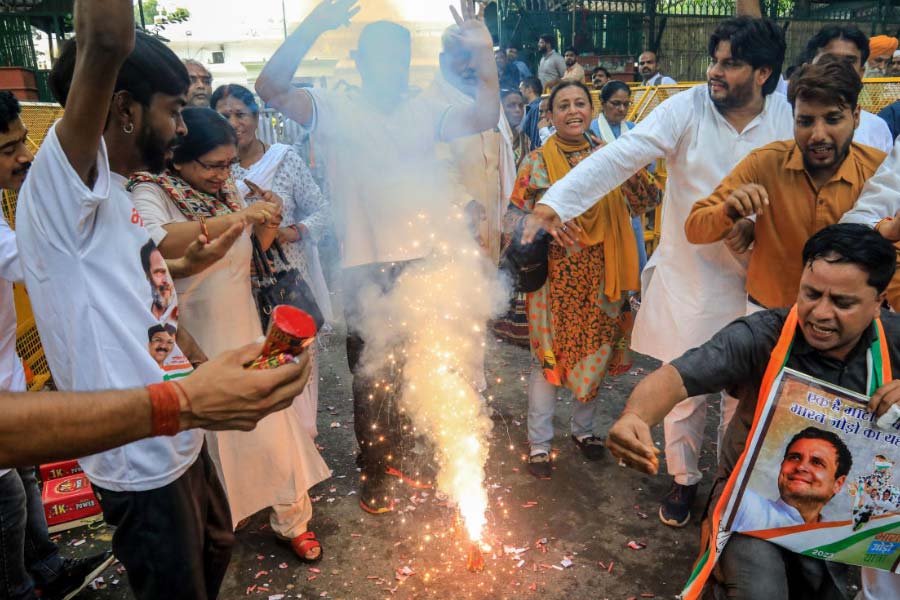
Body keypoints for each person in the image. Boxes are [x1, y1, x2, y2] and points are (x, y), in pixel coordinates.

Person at [521, 16, 794, 527]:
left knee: (745, 392)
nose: (714, 72)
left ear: (763, 73)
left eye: (729, 64)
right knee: (683, 388)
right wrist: (553, 205)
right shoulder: (686, 107)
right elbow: (622, 157)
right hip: (690, 276)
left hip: (759, 279)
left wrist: (759, 229)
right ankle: (684, 481)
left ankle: (728, 485)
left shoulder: (788, 115)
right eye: (714, 60)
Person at [15, 1, 247, 596]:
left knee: (219, 546)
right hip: (138, 459)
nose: (182, 128)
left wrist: (207, 370)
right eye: (172, 109)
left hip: (181, 430)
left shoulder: (115, 196)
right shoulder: (63, 188)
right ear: (122, 107)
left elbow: (148, 305)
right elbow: (105, 38)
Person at [255, 0, 499, 514]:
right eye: (379, 59)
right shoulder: (334, 105)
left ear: (407, 65)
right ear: (362, 64)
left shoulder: (425, 109)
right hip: (364, 265)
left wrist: (484, 56)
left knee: (428, 364)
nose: (390, 69)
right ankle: (375, 470)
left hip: (425, 261)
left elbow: (484, 114)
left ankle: (418, 454)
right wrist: (316, 24)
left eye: (399, 60)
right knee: (370, 375)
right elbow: (270, 89)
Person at [607, 223, 900, 599]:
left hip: (837, 521)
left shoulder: (893, 340)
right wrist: (635, 416)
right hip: (750, 506)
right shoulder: (763, 335)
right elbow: (679, 377)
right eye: (811, 294)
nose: (821, 313)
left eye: (842, 303)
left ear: (878, 303)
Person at [130, 107, 331, 563]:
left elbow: (244, 256)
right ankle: (221, 523)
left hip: (244, 325)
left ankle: (292, 519)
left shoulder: (227, 194)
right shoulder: (149, 191)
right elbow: (160, 245)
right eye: (214, 165)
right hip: (192, 336)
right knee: (208, 438)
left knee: (272, 426)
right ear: (179, 159)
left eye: (229, 164)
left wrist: (266, 223)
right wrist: (242, 217)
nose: (225, 175)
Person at [503, 80, 659, 478]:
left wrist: (627, 162)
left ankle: (583, 432)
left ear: (591, 111)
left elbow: (647, 200)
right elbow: (510, 217)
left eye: (580, 104)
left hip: (602, 276)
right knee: (548, 362)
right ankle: (539, 444)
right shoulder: (536, 162)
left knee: (597, 353)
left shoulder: (611, 157)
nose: (573, 111)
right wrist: (542, 225)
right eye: (563, 106)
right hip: (553, 281)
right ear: (550, 116)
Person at [0, 90, 113, 600]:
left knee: (24, 479)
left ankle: (46, 567)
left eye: (22, 141)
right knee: (7, 502)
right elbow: (32, 262)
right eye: (7, 149)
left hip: (9, 379)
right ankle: (19, 589)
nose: (23, 156)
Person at [685, 57, 888, 311]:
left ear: (856, 117)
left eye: (833, 119)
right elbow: (695, 227)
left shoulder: (880, 172)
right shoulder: (765, 163)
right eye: (805, 121)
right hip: (769, 315)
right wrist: (729, 211)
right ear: (793, 118)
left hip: (848, 324)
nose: (818, 134)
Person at [212, 83, 333, 326]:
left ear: (256, 118)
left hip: (287, 280)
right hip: (236, 283)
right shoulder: (213, 169)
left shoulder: (284, 159)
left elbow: (322, 211)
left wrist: (290, 232)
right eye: (224, 117)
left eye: (240, 115)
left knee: (297, 359)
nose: (233, 124)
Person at [730, 427, 852, 532]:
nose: (801, 467)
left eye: (816, 462)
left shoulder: (842, 538)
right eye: (794, 458)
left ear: (838, 483)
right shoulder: (746, 507)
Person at [589, 80, 648, 273]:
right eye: (616, 103)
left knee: (632, 257)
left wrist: (612, 155)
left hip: (629, 205)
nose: (622, 109)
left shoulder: (634, 129)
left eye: (626, 104)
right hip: (601, 204)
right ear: (602, 102)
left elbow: (649, 164)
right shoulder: (590, 131)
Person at [492, 89, 532, 347]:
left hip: (522, 211)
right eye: (510, 106)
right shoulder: (495, 139)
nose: (516, 111)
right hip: (499, 209)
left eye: (520, 106)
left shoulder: (526, 141)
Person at [519, 76, 544, 151]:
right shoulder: (532, 108)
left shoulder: (536, 108)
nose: (520, 94)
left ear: (529, 90)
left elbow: (536, 136)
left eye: (521, 90)